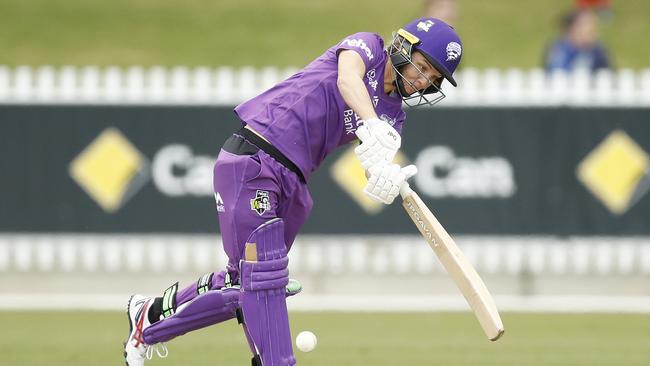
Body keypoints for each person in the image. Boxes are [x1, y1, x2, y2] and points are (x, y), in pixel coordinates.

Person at [123, 17, 462, 366]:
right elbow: (348, 80)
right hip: (256, 157)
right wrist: (371, 122)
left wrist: (383, 175)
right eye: (422, 67)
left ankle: (149, 316)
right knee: (263, 281)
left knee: (244, 284)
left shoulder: (394, 116)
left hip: (294, 181)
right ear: (405, 46)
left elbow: (372, 159)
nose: (422, 80)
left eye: (432, 79)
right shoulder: (369, 47)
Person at [544, 9, 612, 72]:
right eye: (589, 29)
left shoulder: (597, 51)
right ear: (574, 28)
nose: (594, 33)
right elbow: (557, 71)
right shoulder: (559, 49)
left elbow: (608, 72)